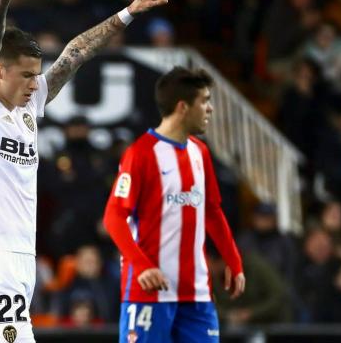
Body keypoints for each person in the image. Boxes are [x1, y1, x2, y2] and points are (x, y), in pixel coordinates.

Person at [0, 0, 167, 341]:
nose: (36, 85)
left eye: (37, 75)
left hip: (20, 253)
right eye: (27, 75)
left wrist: (128, 13)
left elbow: (75, 53)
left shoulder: (27, 109)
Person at [102, 67, 245, 343]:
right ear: (183, 107)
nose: (210, 109)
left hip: (197, 294)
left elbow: (212, 211)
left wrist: (234, 260)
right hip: (150, 293)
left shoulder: (200, 152)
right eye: (204, 101)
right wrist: (142, 266)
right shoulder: (141, 154)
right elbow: (114, 217)